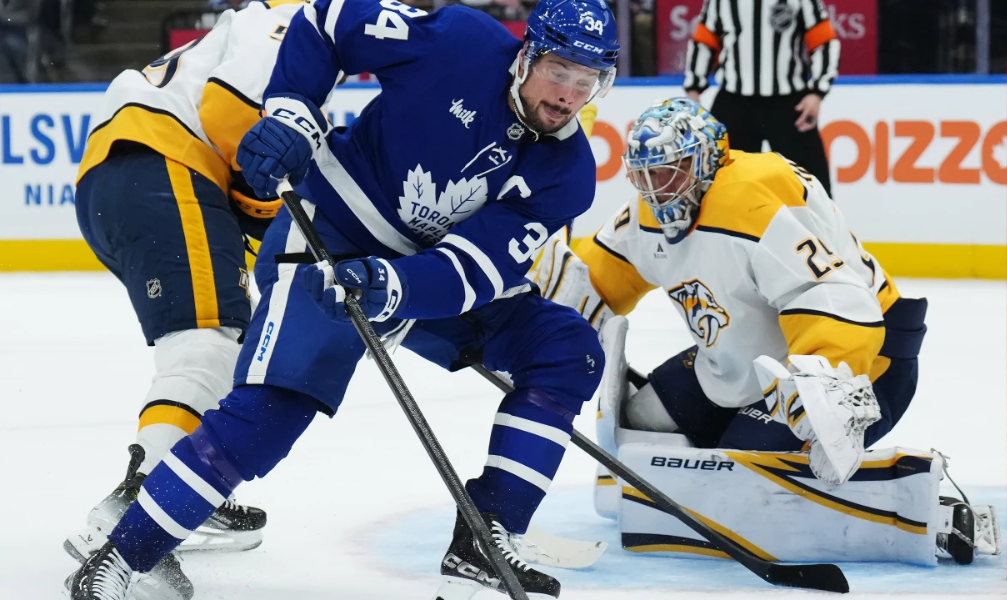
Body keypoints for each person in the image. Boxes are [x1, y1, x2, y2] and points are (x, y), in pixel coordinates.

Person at [64, 0, 618, 599]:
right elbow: (328, 21)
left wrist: (396, 287)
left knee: (566, 349)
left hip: (415, 278)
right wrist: (294, 111)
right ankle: (125, 555)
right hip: (330, 236)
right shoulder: (458, 40)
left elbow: (473, 271)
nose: (569, 94)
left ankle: (488, 536)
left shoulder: (568, 173)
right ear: (526, 55)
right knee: (269, 417)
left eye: (586, 82)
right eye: (559, 72)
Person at [526, 99, 996, 566]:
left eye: (672, 171)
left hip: (862, 360)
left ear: (709, 160)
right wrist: (529, 316)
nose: (658, 190)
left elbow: (834, 296)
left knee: (745, 482)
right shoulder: (649, 212)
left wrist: (826, 381)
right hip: (748, 355)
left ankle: (927, 514)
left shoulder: (745, 200)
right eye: (646, 174)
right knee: (641, 424)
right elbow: (596, 280)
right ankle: (712, 481)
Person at [66, 1, 309, 597]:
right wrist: (269, 212)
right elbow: (230, 110)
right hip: (164, 161)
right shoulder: (298, 17)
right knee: (209, 343)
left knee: (227, 331)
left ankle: (182, 485)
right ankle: (139, 509)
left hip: (130, 172)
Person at [682, 0, 839, 196]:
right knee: (715, 184)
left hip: (789, 104)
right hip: (735, 102)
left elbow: (824, 41)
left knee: (814, 187)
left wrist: (817, 93)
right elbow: (704, 41)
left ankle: (822, 227)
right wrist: (693, 91)